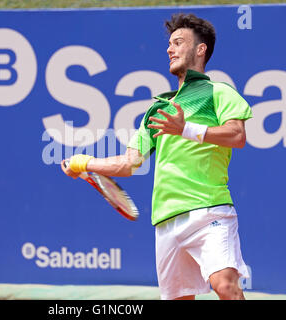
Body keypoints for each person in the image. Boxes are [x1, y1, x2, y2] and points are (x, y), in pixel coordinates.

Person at [61, 13, 252, 300]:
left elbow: (237, 136)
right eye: (169, 44)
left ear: (200, 49)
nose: (169, 49)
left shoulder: (218, 92)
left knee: (225, 286)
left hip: (209, 211)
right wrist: (83, 162)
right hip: (165, 221)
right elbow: (128, 163)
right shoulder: (157, 110)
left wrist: (186, 128)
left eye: (178, 42)